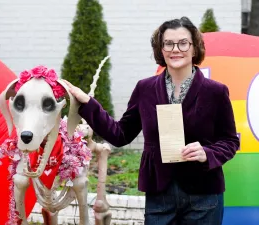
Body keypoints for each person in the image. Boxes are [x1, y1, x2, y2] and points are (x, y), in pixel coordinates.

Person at [64, 16, 240, 225]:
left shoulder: (215, 92)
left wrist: (207, 153)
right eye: (168, 43)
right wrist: (87, 103)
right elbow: (120, 134)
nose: (176, 49)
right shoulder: (145, 89)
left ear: (194, 48)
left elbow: (230, 141)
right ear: (161, 49)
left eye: (183, 43)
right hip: (160, 194)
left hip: (204, 195)